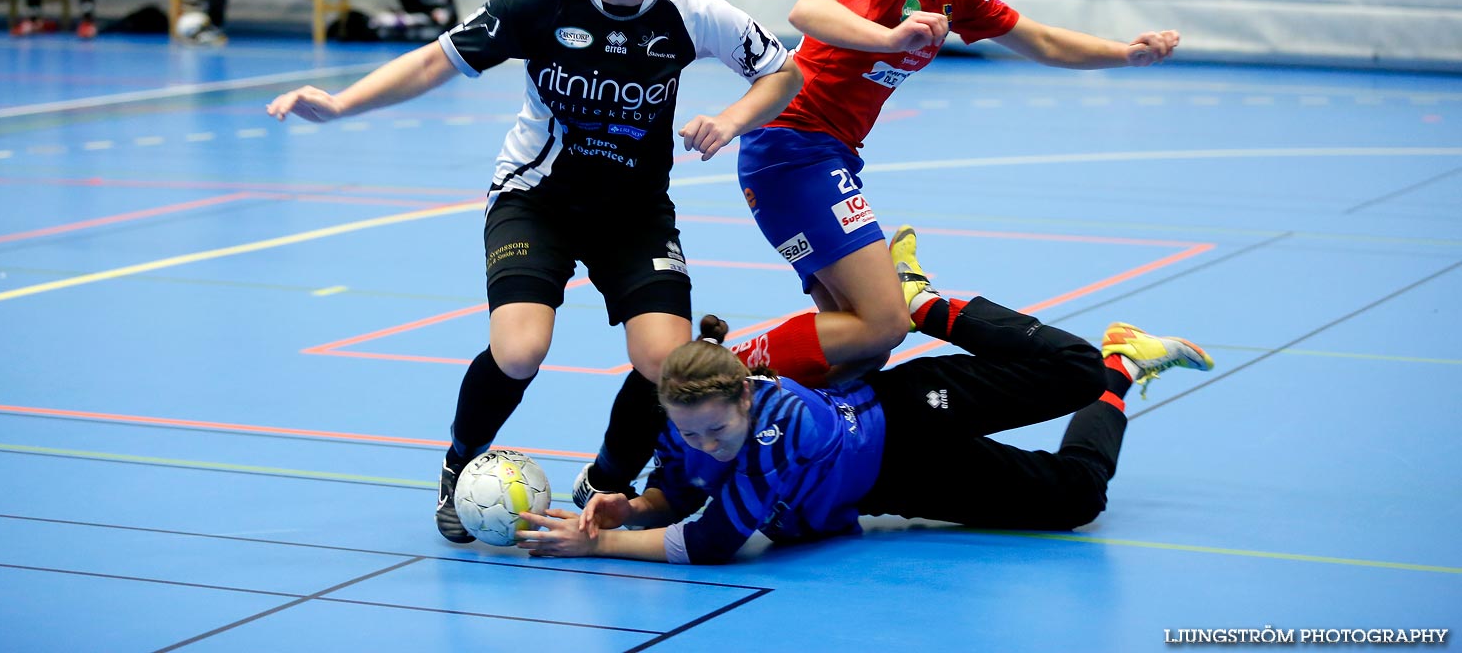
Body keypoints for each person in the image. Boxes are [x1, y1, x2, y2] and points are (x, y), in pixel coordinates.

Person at [265, 0, 803, 544]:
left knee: (665, 365)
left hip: (634, 211)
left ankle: (605, 481)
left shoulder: (689, 10)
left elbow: (783, 71)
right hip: (536, 198)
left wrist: (730, 120)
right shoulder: (540, 1)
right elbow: (437, 60)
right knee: (519, 349)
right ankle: (458, 466)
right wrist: (340, 104)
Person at [728, 0, 1182, 386]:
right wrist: (889, 36)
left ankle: (772, 439)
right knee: (883, 324)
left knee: (858, 351)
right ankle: (709, 374)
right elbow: (808, 12)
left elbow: (1040, 40)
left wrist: (1125, 54)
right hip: (790, 148)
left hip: (829, 154)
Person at [516, 230, 1213, 564]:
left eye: (714, 432)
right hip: (900, 481)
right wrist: (634, 504)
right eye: (689, 433)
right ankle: (1125, 365)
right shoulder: (687, 428)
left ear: (746, 403)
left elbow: (709, 541)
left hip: (909, 410)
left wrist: (602, 542)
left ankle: (925, 301)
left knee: (1070, 369)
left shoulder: (776, 431)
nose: (702, 445)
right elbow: (680, 491)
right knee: (1077, 500)